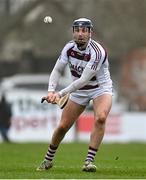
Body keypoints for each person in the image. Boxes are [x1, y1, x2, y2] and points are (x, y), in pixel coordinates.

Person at [37, 18, 113, 172]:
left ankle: (88, 161)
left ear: (90, 33)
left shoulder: (97, 52)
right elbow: (57, 70)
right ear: (73, 32)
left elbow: (83, 80)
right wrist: (51, 91)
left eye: (84, 31)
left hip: (100, 89)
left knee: (101, 117)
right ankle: (48, 160)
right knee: (63, 126)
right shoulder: (68, 48)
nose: (80, 34)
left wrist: (60, 93)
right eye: (77, 30)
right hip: (78, 92)